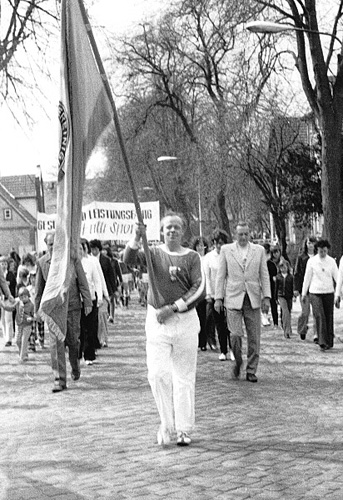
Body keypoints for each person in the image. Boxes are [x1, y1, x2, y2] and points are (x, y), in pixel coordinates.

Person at [124, 212, 205, 446]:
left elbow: (199, 288)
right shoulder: (153, 253)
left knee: (183, 377)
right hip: (157, 321)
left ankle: (183, 429)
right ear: (161, 231)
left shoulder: (191, 257)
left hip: (184, 321)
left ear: (183, 232)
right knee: (157, 374)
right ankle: (166, 424)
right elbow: (128, 259)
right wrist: (137, 237)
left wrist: (174, 308)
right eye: (168, 227)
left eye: (176, 228)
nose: (172, 231)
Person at [35, 232, 93, 393]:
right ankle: (59, 379)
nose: (53, 247)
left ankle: (75, 365)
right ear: (46, 246)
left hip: (72, 308)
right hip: (54, 311)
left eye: (56, 244)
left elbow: (82, 282)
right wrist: (36, 311)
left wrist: (87, 301)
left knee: (73, 341)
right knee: (55, 345)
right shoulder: (42, 263)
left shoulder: (72, 260)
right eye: (50, 244)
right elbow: (39, 290)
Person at [214, 221, 271, 383]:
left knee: (254, 337)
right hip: (233, 298)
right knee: (236, 334)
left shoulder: (258, 251)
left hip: (252, 299)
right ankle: (238, 360)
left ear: (250, 234)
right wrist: (218, 298)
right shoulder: (226, 250)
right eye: (240, 234)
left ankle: (251, 370)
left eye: (246, 234)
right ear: (235, 234)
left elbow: (264, 275)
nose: (244, 237)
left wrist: (266, 297)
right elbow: (221, 276)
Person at [302, 239, 338, 352]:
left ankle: (329, 340)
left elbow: (337, 277)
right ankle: (322, 341)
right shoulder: (311, 262)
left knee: (328, 316)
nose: (323, 253)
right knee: (319, 315)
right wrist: (304, 293)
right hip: (315, 292)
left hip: (328, 292)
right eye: (321, 251)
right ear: (317, 250)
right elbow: (307, 278)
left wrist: (339, 292)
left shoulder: (331, 261)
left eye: (325, 251)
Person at [203, 229, 233, 360]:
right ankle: (223, 350)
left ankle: (233, 349)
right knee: (220, 324)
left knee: (231, 324)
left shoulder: (230, 255)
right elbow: (207, 277)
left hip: (230, 294)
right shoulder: (209, 257)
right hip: (215, 295)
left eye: (221, 243)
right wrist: (209, 294)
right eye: (217, 243)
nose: (219, 246)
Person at [79, 239, 103, 365]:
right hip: (76, 301)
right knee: (79, 329)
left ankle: (89, 355)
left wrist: (99, 296)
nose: (80, 251)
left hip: (90, 300)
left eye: (81, 248)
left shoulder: (91, 263)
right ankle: (78, 353)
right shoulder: (71, 264)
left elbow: (97, 280)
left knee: (90, 328)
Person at [191, 236, 216, 352]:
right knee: (199, 318)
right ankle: (200, 342)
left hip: (208, 292)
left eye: (202, 245)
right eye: (198, 245)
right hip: (196, 292)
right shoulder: (192, 258)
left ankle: (210, 340)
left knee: (209, 318)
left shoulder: (209, 258)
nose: (200, 248)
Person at [294, 236, 318, 341]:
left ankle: (317, 333)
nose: (311, 245)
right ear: (306, 244)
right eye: (309, 243)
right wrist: (296, 288)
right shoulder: (301, 257)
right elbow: (297, 273)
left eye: (312, 243)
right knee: (305, 312)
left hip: (317, 288)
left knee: (317, 313)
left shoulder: (318, 256)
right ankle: (302, 329)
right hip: (305, 289)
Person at [1, 287, 34, 362]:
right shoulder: (18, 302)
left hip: (27, 325)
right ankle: (24, 353)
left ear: (28, 296)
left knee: (24, 340)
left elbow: (34, 316)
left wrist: (31, 318)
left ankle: (22, 357)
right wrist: (3, 305)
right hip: (18, 324)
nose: (23, 299)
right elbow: (11, 308)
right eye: (21, 297)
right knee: (17, 341)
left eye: (25, 297)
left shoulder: (31, 305)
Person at [89, 239, 117, 321]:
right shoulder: (88, 259)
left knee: (105, 305)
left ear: (99, 249)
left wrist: (114, 288)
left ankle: (108, 316)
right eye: (91, 248)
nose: (93, 251)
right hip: (92, 287)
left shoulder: (106, 260)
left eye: (95, 249)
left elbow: (111, 275)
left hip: (105, 285)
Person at [275, 259, 294, 339]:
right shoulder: (278, 277)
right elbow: (276, 288)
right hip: (281, 296)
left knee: (287, 313)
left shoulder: (291, 277)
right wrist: (275, 297)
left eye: (284, 267)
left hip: (289, 296)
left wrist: (294, 296)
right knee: (285, 311)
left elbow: (293, 287)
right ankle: (286, 332)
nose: (283, 269)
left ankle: (287, 327)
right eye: (281, 268)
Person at [0, 256, 16, 347]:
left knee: (8, 319)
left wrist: (9, 295)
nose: (3, 265)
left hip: (6, 299)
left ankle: (9, 339)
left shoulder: (10, 274)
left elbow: (3, 283)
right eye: (2, 263)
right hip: (1, 298)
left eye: (5, 263)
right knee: (2, 319)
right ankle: (6, 336)